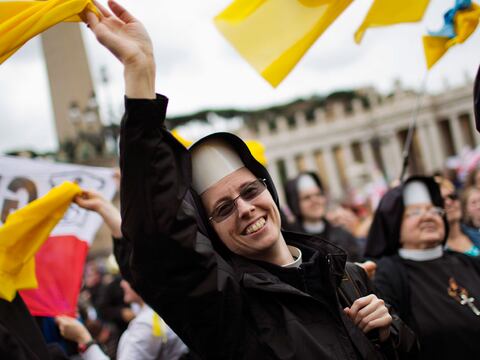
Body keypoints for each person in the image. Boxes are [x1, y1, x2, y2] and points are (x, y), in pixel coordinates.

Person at [85, 2, 417, 359]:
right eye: (224, 208)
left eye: (250, 191)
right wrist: (140, 77)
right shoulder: (227, 306)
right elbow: (161, 241)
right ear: (208, 230)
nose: (244, 208)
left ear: (269, 189)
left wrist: (390, 333)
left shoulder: (345, 273)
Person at [365, 176, 480, 359]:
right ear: (394, 223)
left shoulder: (469, 262)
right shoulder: (388, 275)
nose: (428, 216)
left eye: (433, 209)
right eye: (415, 212)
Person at [56, 279, 188, 360]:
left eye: (127, 277)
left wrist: (84, 339)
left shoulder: (145, 324)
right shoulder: (151, 313)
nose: (122, 283)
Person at [284, 172, 363, 261]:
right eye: (307, 197)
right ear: (295, 204)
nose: (315, 200)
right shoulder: (291, 242)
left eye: (318, 194)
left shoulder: (343, 235)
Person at [437, 178, 480, 256]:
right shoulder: (434, 248)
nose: (449, 202)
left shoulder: (476, 234)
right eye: (441, 200)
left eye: (452, 196)